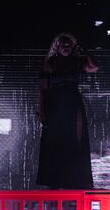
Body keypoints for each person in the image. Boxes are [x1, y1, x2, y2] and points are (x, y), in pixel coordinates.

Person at [36, 32, 98, 189]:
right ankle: (56, 180)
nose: (66, 48)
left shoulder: (77, 62)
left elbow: (94, 67)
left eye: (69, 45)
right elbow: (43, 89)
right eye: (63, 45)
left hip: (73, 103)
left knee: (75, 140)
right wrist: (41, 111)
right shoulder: (50, 63)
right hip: (55, 104)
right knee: (56, 141)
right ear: (57, 47)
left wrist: (83, 50)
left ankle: (75, 179)